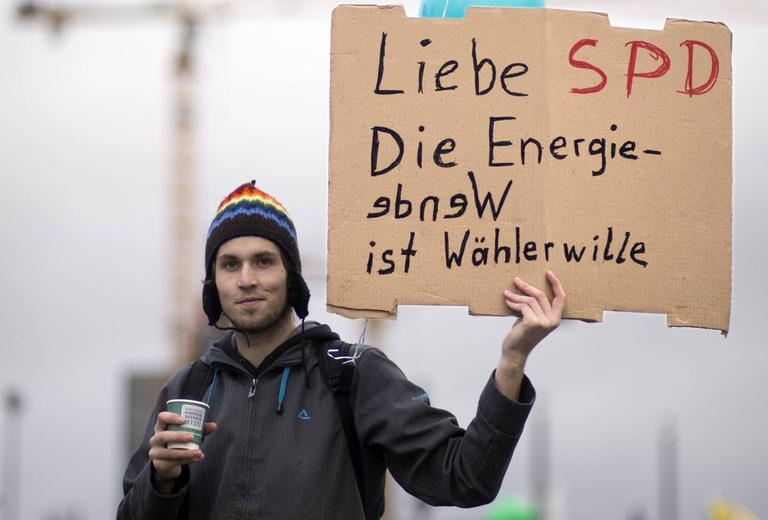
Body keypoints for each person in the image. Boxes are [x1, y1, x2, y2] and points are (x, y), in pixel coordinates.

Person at [118, 181, 566, 520]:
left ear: (291, 276)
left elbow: (467, 478)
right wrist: (161, 479)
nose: (247, 279)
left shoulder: (352, 376)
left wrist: (512, 361)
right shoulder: (189, 387)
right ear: (213, 283)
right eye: (229, 264)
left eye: (264, 261)